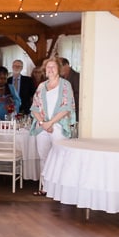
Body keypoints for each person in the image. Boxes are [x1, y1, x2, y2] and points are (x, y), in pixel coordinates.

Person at [30, 57, 76, 196]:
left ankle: (59, 189)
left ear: (59, 70)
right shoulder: (41, 86)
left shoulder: (65, 85)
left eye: (53, 67)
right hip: (42, 126)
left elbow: (67, 107)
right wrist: (44, 123)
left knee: (60, 158)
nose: (50, 69)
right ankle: (45, 187)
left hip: (58, 126)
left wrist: (51, 123)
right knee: (44, 157)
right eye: (48, 67)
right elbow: (34, 108)